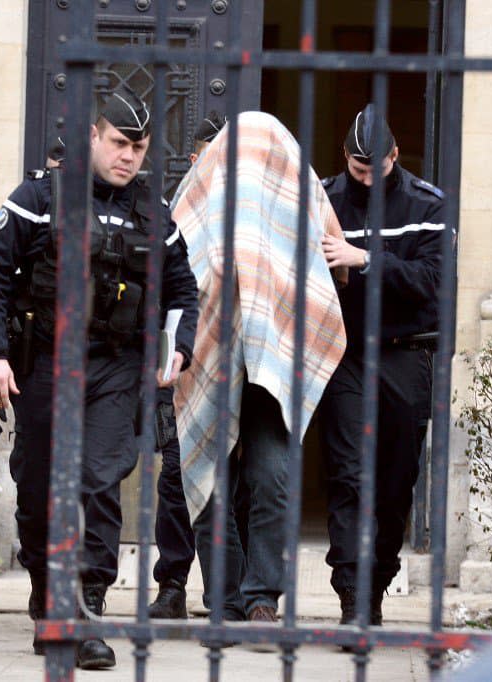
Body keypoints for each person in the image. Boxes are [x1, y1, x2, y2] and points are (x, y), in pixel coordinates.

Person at [0, 89, 199, 670]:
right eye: (120, 143)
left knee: (96, 482)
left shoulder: (154, 211)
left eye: (139, 148)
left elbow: (181, 291)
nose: (129, 157)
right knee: (41, 487)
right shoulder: (40, 198)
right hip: (45, 363)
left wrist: (179, 348)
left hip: (117, 367)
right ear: (93, 137)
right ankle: (49, 595)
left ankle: (83, 610)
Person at [172, 111, 347, 636]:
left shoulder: (295, 190)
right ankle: (224, 598)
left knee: (272, 477)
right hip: (209, 357)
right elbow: (175, 260)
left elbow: (329, 261)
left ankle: (263, 596)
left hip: (273, 360)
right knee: (208, 474)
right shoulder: (203, 186)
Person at [319, 103, 444, 628]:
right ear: (345, 158)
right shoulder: (322, 199)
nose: (367, 180)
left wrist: (363, 259)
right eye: (357, 170)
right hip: (344, 353)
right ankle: (352, 596)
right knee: (348, 476)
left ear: (395, 155)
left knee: (395, 483)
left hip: (406, 351)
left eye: (377, 169)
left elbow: (432, 282)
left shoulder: (428, 204)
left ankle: (376, 584)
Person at [147, 110, 230, 620]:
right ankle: (172, 585)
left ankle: (227, 593)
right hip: (182, 359)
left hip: (233, 364)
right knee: (175, 477)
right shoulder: (175, 207)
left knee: (230, 482)